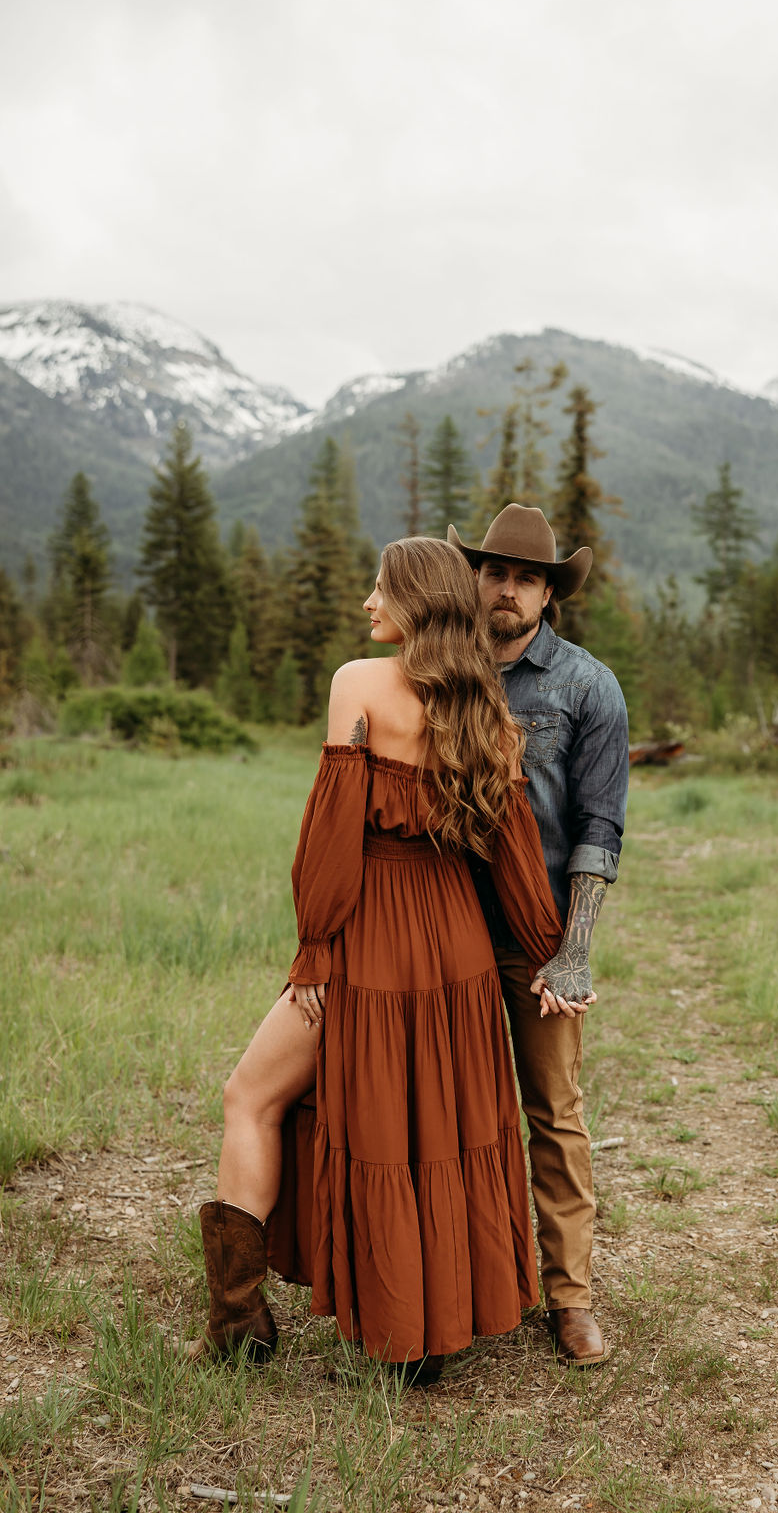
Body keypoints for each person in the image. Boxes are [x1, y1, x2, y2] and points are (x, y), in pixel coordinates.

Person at [185, 537, 569, 1380]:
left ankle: (237, 1321)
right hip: (456, 947)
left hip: (368, 937)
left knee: (250, 1095)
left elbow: (331, 838)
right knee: (432, 1131)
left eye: (381, 587)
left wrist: (316, 947)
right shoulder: (491, 718)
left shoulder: (357, 685)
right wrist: (552, 955)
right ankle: (420, 1342)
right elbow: (514, 860)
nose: (367, 600)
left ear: (416, 601)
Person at [447, 504, 630, 1367]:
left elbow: (599, 827)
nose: (507, 589)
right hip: (442, 928)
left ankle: (571, 1299)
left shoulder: (588, 688)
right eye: (494, 572)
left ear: (550, 593)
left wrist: (576, 948)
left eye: (526, 577)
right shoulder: (438, 672)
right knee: (448, 1113)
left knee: (552, 1113)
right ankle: (460, 1285)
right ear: (474, 578)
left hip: (538, 935)